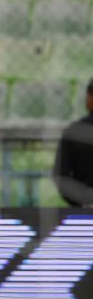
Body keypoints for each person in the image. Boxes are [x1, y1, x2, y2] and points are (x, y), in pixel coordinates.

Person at [53, 78, 93, 207]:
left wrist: (83, 202)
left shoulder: (74, 132)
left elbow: (60, 176)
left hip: (84, 212)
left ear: (90, 99)